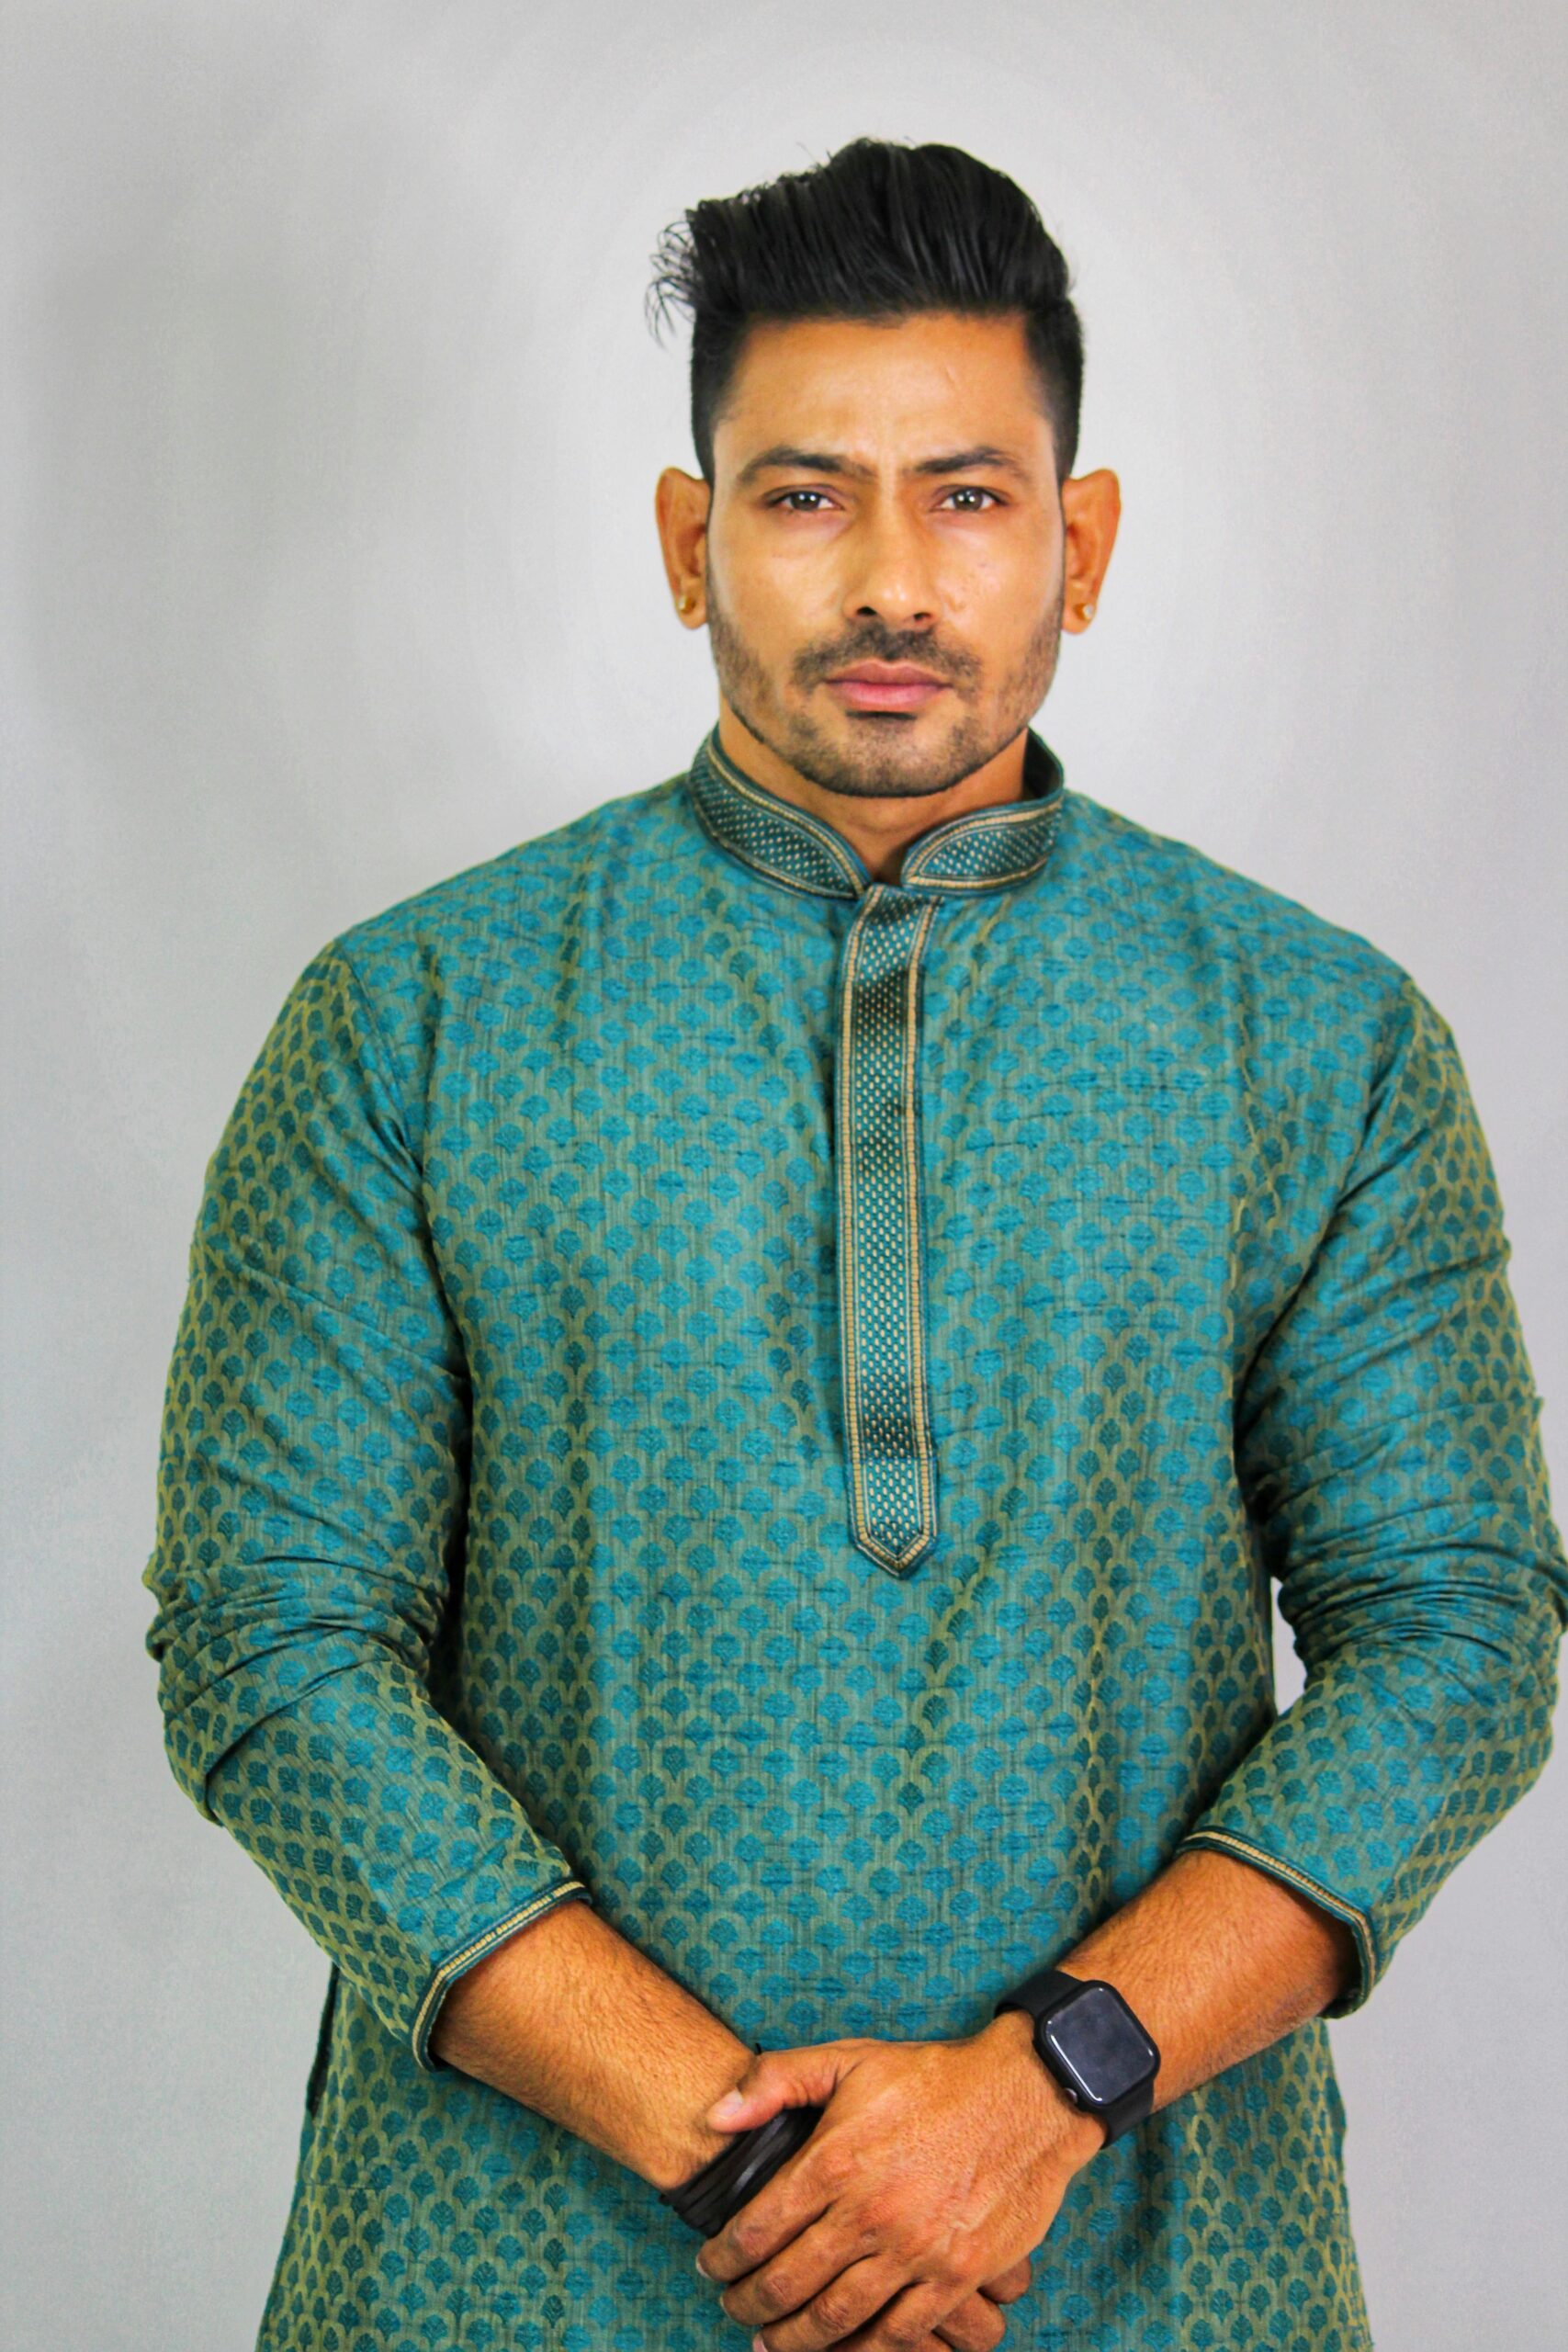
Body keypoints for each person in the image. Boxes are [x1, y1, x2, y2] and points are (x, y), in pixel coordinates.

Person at [142, 136, 1567, 2352]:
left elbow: (1456, 1637)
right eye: (803, 496)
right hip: (509, 2271)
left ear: (1078, 546)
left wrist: (1045, 2083)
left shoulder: (1314, 1036)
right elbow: (268, 1649)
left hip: (1151, 2262)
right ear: (684, 537)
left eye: (968, 496)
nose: (890, 575)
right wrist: (775, 2167)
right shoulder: (409, 1022)